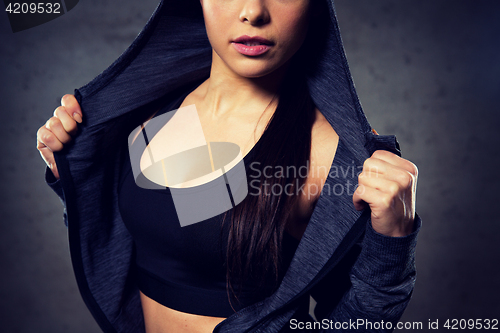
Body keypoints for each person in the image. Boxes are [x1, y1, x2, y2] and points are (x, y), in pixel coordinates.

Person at [36, 0, 421, 332]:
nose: (253, 12)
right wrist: (72, 173)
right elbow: (153, 236)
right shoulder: (150, 110)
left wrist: (393, 241)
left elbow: (356, 317)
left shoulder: (327, 154)